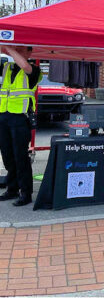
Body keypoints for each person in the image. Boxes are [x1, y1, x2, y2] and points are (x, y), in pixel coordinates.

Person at [0, 46, 41, 207]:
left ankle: (26, 193)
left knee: (20, 157)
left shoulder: (35, 70)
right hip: (4, 115)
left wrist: (9, 49)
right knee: (7, 156)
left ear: (29, 53)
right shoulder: (7, 67)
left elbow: (25, 66)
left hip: (20, 117)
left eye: (20, 49)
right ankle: (12, 189)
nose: (16, 50)